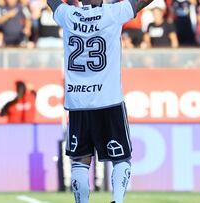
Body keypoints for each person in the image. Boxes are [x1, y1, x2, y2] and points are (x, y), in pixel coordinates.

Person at [47, 0, 154, 202]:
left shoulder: (68, 15)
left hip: (78, 101)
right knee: (121, 157)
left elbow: (52, 2)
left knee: (80, 159)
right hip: (108, 98)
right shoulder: (112, 13)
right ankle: (117, 200)